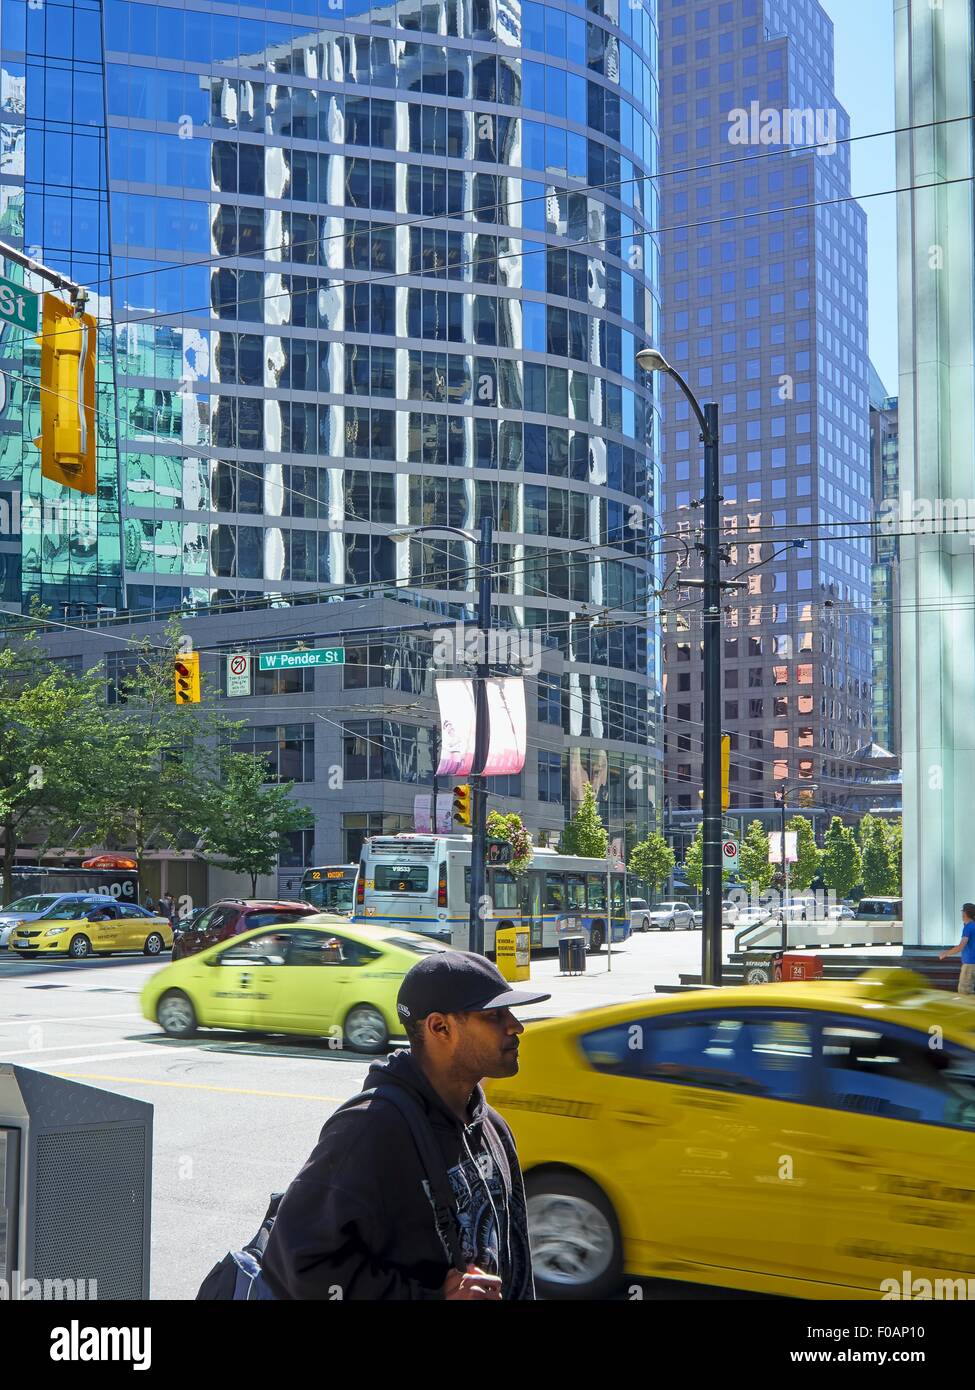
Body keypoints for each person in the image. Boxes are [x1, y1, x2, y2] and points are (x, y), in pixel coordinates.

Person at [261, 950, 551, 1300]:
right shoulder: (369, 1130)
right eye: (494, 1015)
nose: (515, 1026)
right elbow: (300, 1263)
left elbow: (514, 1255)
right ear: (439, 1027)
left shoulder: (493, 1128)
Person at [939, 902, 975, 995]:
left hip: (969, 964)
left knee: (965, 992)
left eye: (962, 912)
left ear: (965, 913)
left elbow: (961, 946)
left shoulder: (968, 927)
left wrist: (946, 953)